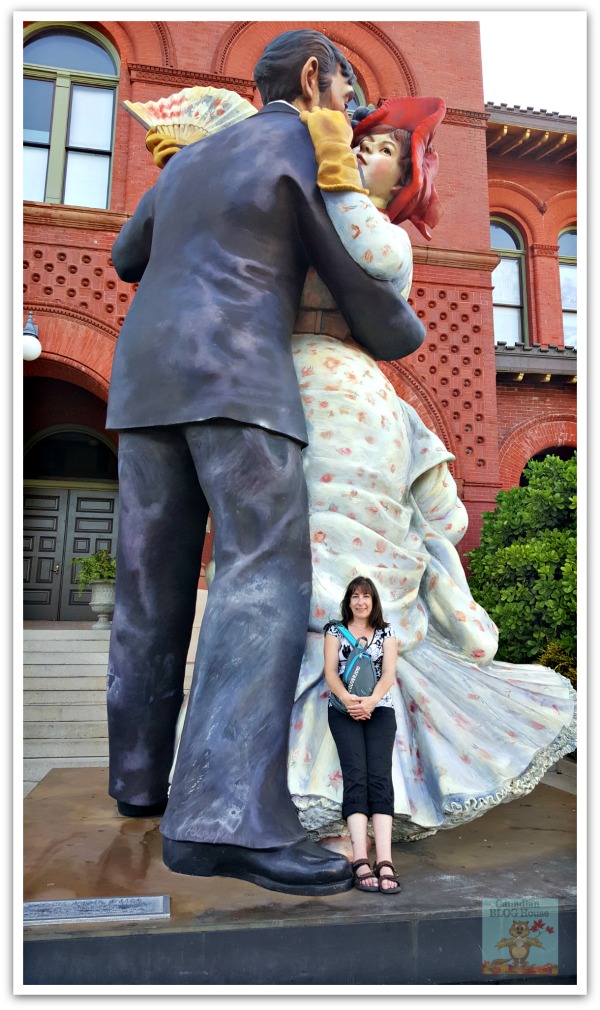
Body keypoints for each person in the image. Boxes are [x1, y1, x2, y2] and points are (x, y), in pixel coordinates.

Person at [105, 28, 426, 896]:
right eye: (350, 93)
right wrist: (402, 330)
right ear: (316, 78)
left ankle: (138, 781)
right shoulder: (309, 145)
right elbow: (353, 271)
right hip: (238, 380)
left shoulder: (193, 159)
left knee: (149, 584)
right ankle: (222, 822)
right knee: (260, 576)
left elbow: (125, 255)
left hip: (141, 384)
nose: (355, 117)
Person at [286, 102, 577, 844]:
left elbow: (365, 251)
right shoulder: (310, 208)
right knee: (301, 571)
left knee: (343, 578)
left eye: (381, 150)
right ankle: (309, 776)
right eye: (361, 144)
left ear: (405, 178)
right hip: (291, 391)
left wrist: (330, 166)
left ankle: (347, 789)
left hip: (346, 401)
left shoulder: (379, 231)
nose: (362, 155)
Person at [323, 577, 401, 893]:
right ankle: (360, 857)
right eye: (355, 596)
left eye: (366, 596)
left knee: (380, 778)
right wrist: (349, 702)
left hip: (380, 710)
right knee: (356, 776)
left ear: (374, 601)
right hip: (343, 711)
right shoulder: (334, 631)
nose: (360, 602)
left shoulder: (387, 632)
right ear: (348, 601)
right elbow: (330, 672)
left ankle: (385, 859)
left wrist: (369, 702)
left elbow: (389, 674)